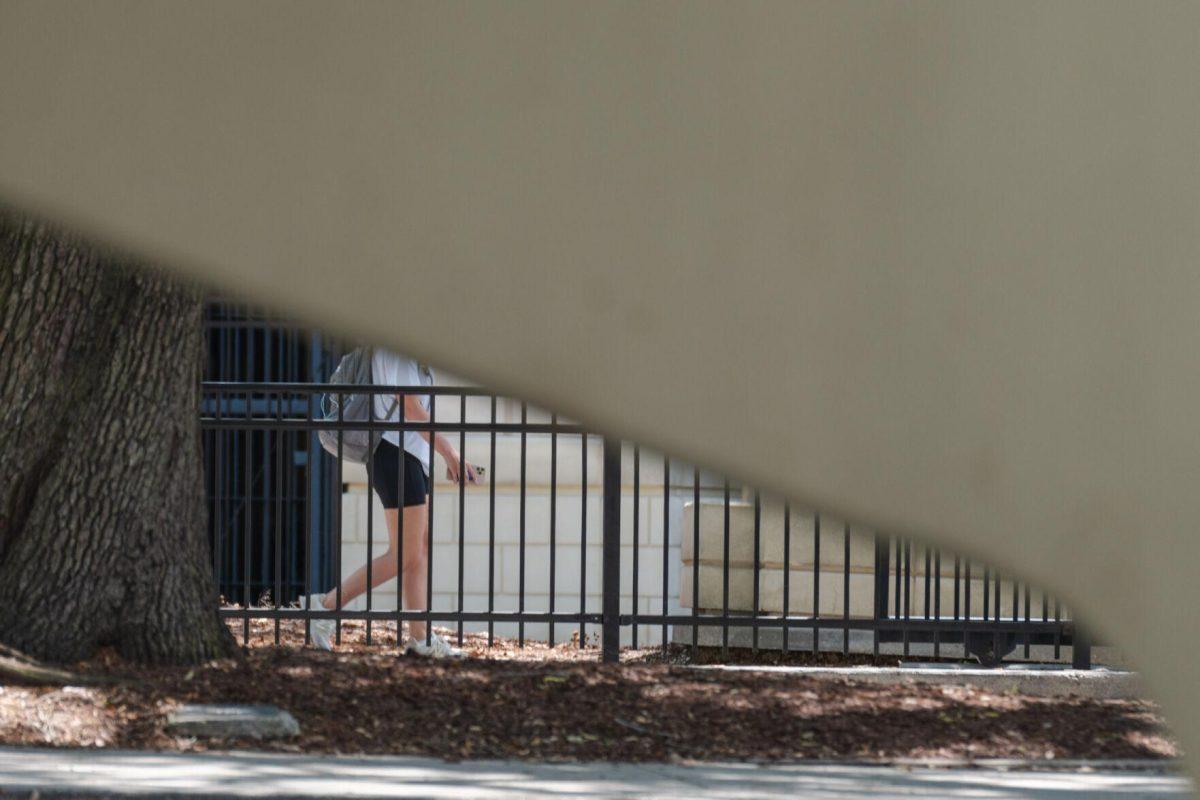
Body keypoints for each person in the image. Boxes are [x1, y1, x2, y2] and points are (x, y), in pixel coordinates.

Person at [307, 348, 479, 657]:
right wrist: (449, 453)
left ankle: (420, 638)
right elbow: (411, 409)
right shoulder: (395, 352)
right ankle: (324, 607)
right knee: (404, 554)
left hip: (409, 457)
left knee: (417, 551)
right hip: (394, 453)